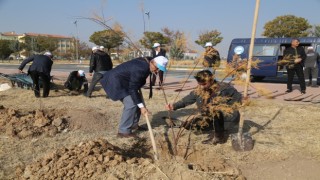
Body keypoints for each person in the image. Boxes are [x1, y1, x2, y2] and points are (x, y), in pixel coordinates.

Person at [165, 70, 242, 145]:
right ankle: (183, 124)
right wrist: (174, 106)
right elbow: (187, 99)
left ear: (211, 80)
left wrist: (225, 107)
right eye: (199, 84)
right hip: (208, 118)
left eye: (204, 84)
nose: (201, 87)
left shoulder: (225, 89)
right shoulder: (200, 89)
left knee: (215, 110)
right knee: (194, 126)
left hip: (227, 119)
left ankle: (219, 137)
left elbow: (238, 100)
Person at [100, 56, 168, 138]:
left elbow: (135, 83)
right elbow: (133, 89)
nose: (157, 71)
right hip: (115, 81)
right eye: (157, 68)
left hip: (125, 81)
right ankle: (123, 131)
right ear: (153, 62)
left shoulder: (148, 62)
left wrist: (141, 105)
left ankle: (133, 125)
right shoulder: (141, 68)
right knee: (131, 103)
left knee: (138, 101)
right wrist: (142, 107)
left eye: (159, 69)